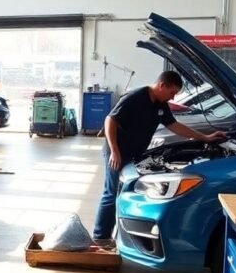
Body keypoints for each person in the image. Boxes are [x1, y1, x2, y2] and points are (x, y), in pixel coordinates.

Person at [93, 71, 225, 248]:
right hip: (117, 150)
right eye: (172, 92)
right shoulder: (135, 97)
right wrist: (115, 152)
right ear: (162, 85)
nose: (173, 97)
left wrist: (205, 138)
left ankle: (120, 234)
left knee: (125, 191)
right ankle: (100, 236)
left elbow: (175, 126)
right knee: (111, 191)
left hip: (134, 153)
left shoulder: (160, 104)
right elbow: (110, 120)